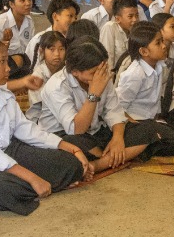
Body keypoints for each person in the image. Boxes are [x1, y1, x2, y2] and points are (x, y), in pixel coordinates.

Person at [0, 36, 89, 216]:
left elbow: (26, 129)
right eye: (2, 62)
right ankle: (38, 184)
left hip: (8, 152)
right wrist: (33, 178)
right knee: (2, 189)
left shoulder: (3, 95)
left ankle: (38, 184)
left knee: (70, 165)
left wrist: (67, 146)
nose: (8, 68)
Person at [38, 38, 157, 170]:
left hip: (96, 132)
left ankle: (98, 164)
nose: (100, 75)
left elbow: (114, 112)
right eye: (93, 73)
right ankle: (114, 157)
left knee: (147, 130)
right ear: (75, 72)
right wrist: (94, 94)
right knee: (73, 144)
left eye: (103, 68)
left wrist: (117, 139)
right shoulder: (57, 86)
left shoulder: (101, 74)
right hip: (66, 135)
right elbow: (76, 130)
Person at [115, 22, 174, 155]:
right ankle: (143, 146)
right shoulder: (135, 74)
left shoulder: (158, 66)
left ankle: (153, 140)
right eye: (158, 43)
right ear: (144, 51)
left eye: (162, 41)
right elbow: (118, 106)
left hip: (152, 120)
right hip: (137, 124)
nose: (164, 46)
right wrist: (136, 125)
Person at [0, 0, 34, 78]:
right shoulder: (0, 22)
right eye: (22, 0)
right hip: (6, 66)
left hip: (25, 64)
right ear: (11, 4)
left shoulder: (30, 21)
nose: (28, 3)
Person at [25, 30, 67, 123]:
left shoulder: (66, 71)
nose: (57, 54)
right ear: (41, 51)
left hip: (61, 117)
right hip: (39, 120)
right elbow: (45, 106)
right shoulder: (38, 75)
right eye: (52, 49)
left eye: (61, 49)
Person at [99, 0, 139, 71]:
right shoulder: (109, 28)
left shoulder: (137, 30)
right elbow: (108, 61)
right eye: (130, 16)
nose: (135, 20)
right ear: (117, 19)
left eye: (137, 15)